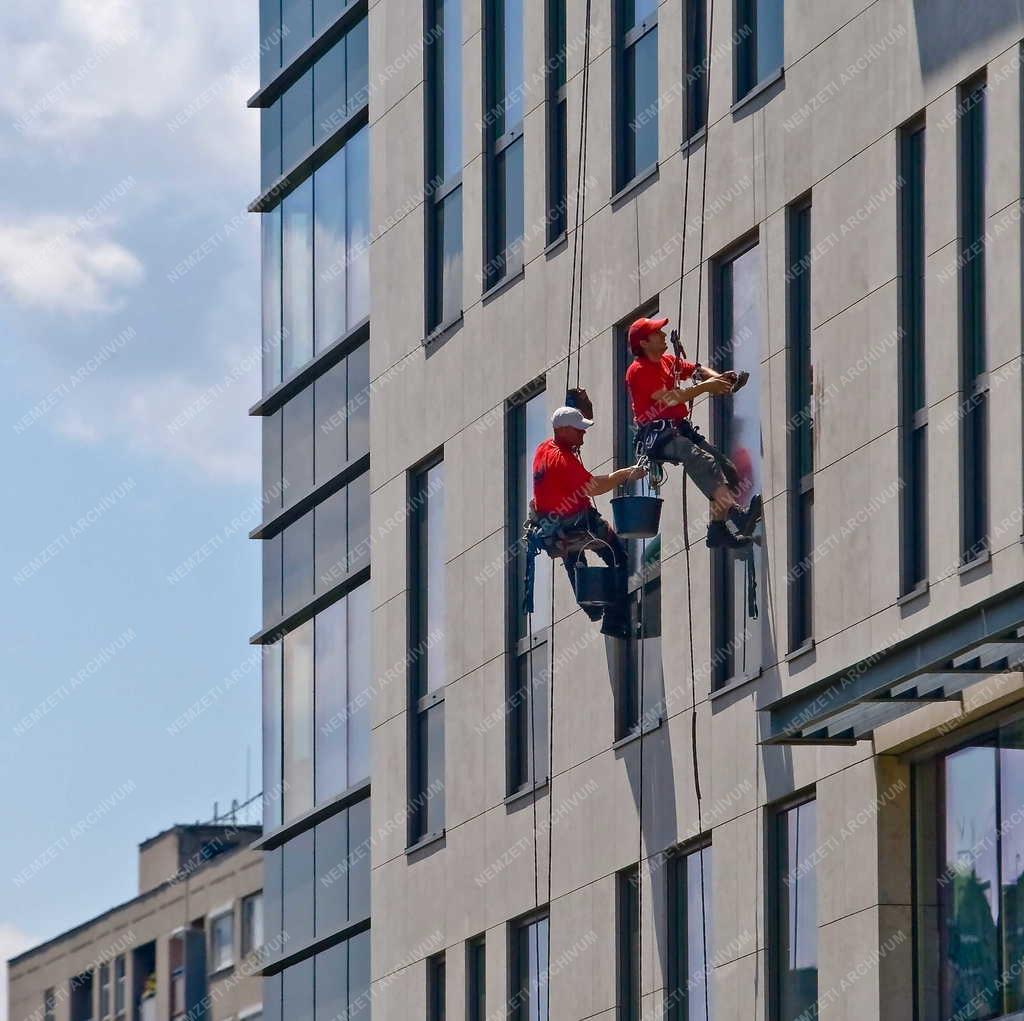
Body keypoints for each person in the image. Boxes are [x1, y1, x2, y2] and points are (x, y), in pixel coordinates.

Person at [625, 315, 762, 549]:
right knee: (703, 461)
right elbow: (670, 398)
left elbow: (696, 371)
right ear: (644, 343)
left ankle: (718, 529)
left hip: (679, 429)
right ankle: (737, 514)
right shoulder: (638, 371)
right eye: (657, 333)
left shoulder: (667, 361)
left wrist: (719, 378)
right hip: (658, 435)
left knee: (726, 466)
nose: (664, 335)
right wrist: (708, 387)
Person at [525, 406, 646, 638]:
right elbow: (595, 487)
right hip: (576, 523)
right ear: (563, 430)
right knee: (618, 555)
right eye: (579, 430)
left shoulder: (543, 449)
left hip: (555, 528)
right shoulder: (562, 460)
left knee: (574, 559)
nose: (583, 435)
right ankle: (615, 619)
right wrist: (626, 474)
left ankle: (591, 607)